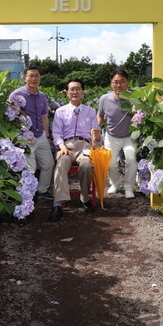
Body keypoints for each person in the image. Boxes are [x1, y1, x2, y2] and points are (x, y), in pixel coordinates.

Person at [49, 79, 102, 222]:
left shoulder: (90, 111)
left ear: (82, 92)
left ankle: (85, 198)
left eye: (78, 89)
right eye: (72, 89)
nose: (75, 92)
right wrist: (62, 147)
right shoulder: (60, 112)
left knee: (86, 165)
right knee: (61, 163)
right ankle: (58, 204)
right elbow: (57, 133)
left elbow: (97, 138)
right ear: (67, 93)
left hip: (85, 146)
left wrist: (97, 136)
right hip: (66, 146)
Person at [9, 65, 55, 201]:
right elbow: (10, 117)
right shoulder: (16, 95)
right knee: (30, 169)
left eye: (37, 76)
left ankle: (42, 191)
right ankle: (26, 197)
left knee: (49, 164)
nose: (34, 78)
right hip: (25, 138)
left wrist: (47, 136)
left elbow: (44, 117)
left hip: (40, 135)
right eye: (31, 76)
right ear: (24, 78)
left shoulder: (42, 96)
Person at [97, 69, 137, 199]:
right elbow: (100, 115)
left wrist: (137, 110)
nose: (119, 85)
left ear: (128, 83)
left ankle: (129, 187)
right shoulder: (104, 99)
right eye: (115, 82)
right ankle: (115, 183)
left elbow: (141, 116)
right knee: (110, 163)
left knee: (131, 159)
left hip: (129, 136)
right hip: (111, 136)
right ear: (111, 84)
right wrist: (95, 129)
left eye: (122, 82)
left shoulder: (134, 98)